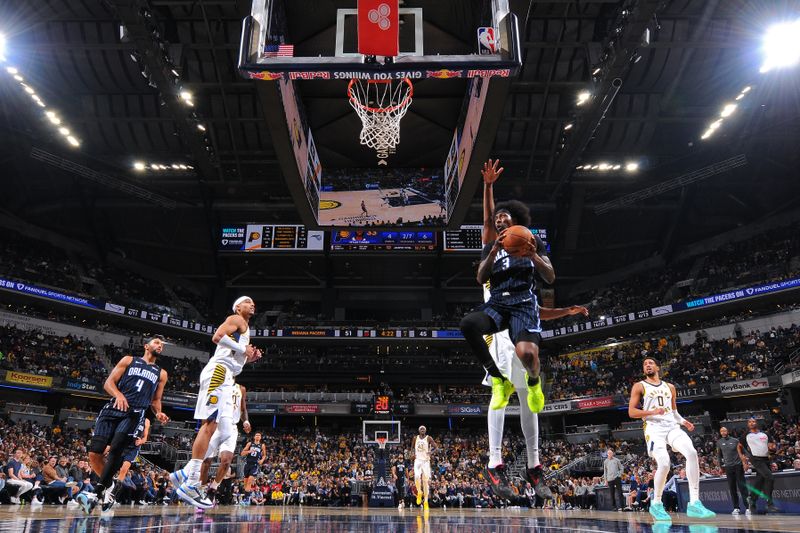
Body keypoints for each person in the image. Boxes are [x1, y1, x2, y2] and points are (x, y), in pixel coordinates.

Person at [460, 159, 556, 419]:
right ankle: (498, 379)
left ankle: (534, 382)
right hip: (498, 305)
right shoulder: (491, 244)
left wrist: (534, 257)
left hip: (524, 304)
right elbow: (481, 278)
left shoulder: (531, 241)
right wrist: (487, 186)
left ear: (515, 221)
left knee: (527, 355)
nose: (500, 219)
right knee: (468, 324)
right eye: (497, 218)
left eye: (505, 216)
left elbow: (549, 277)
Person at [170, 296, 262, 509]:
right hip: (219, 372)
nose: (252, 303)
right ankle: (191, 483)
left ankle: (183, 475)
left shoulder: (244, 331)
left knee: (212, 425)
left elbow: (235, 359)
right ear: (238, 307)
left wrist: (249, 358)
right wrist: (243, 350)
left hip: (226, 374)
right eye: (247, 301)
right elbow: (217, 337)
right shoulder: (237, 319)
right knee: (209, 424)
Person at [78, 335, 169, 514]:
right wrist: (118, 394)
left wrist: (158, 412)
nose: (160, 346)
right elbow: (108, 383)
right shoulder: (129, 360)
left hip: (134, 413)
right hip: (113, 409)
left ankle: (96, 493)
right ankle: (110, 485)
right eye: (157, 342)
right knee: (94, 453)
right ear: (146, 345)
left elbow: (156, 399)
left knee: (116, 449)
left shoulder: (162, 373)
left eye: (162, 345)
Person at [628, 356, 715, 522]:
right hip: (654, 429)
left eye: (650, 363)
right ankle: (656, 503)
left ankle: (694, 503)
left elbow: (674, 412)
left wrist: (683, 421)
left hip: (672, 427)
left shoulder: (670, 387)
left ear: (658, 367)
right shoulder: (639, 386)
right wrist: (652, 412)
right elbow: (632, 412)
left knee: (691, 452)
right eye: (645, 364)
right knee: (665, 463)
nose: (647, 365)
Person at [201, 383, 249, 505]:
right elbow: (208, 406)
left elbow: (243, 409)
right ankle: (201, 489)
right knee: (206, 462)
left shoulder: (241, 388)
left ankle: (213, 489)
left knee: (227, 461)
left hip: (231, 427)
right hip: (215, 424)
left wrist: (246, 421)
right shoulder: (217, 384)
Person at [102, 417, 151, 510]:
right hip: (123, 444)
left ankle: (113, 493)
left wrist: (141, 441)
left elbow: (145, 436)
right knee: (111, 467)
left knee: (124, 469)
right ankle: (104, 490)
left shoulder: (146, 420)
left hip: (133, 448)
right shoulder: (129, 416)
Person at [742, 418, 778, 514]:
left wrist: (772, 449)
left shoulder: (765, 434)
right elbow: (739, 446)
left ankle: (752, 499)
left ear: (756, 423)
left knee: (760, 481)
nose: (751, 423)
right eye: (749, 422)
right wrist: (744, 461)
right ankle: (769, 503)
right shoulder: (746, 435)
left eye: (753, 421)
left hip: (766, 459)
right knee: (769, 477)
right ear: (747, 424)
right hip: (755, 459)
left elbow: (772, 446)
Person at [717, 426, 748, 515]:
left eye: (724, 430)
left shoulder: (735, 440)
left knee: (742, 487)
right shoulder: (719, 442)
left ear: (728, 431)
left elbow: (744, 451)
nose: (723, 432)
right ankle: (736, 508)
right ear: (720, 432)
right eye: (721, 431)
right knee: (732, 488)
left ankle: (748, 507)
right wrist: (720, 467)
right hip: (728, 467)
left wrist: (746, 462)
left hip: (738, 466)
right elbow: (719, 456)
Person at [239, 431, 266, 504]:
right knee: (245, 483)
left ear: (260, 437)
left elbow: (264, 455)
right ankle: (247, 497)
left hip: (255, 465)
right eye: (256, 435)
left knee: (250, 481)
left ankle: (246, 499)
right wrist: (249, 451)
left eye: (259, 435)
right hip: (247, 464)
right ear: (254, 437)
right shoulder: (250, 444)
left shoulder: (262, 445)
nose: (257, 436)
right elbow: (242, 453)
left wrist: (262, 460)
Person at [413, 425, 436, 510]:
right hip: (418, 460)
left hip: (426, 461)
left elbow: (436, 447)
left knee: (425, 482)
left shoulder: (429, 438)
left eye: (424, 429)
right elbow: (412, 448)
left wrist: (431, 452)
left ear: (425, 431)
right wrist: (412, 453)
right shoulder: (415, 438)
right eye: (421, 429)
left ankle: (426, 500)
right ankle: (419, 492)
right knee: (417, 476)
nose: (422, 430)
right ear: (419, 431)